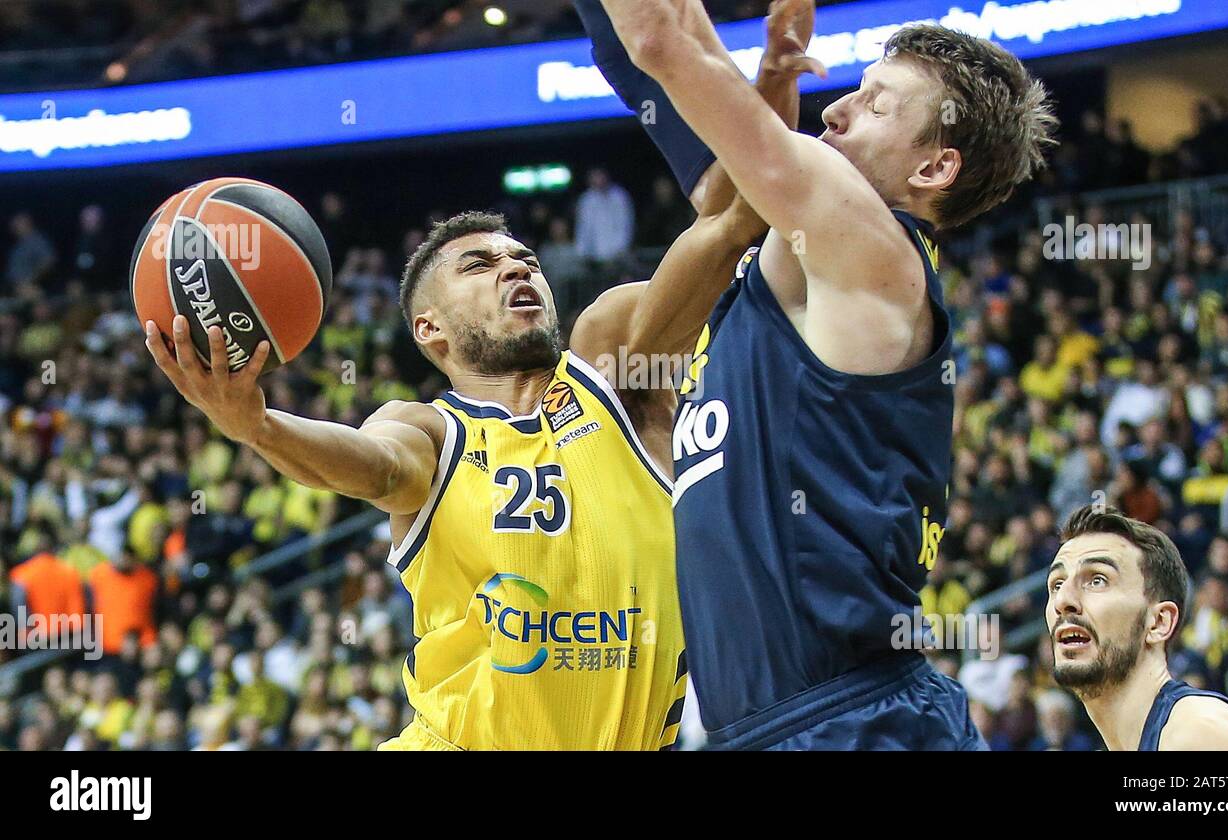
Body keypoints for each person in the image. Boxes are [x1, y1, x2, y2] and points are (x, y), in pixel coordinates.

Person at [142, 12, 811, 750]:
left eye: (522, 257)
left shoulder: (617, 366)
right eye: (480, 265)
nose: (516, 267)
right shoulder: (429, 431)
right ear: (429, 329)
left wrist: (771, 81)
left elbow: (732, 222)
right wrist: (258, 426)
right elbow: (373, 468)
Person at [592, 0, 1054, 748]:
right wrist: (773, 70)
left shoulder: (870, 246)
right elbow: (741, 185)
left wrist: (721, 66)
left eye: (876, 103)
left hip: (848, 720)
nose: (836, 109)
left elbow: (655, 40)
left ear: (933, 167)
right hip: (789, 720)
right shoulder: (812, 255)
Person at [1046, 505, 1228, 750]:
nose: (1062, 600)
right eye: (1057, 584)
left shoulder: (1198, 732)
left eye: (1097, 580)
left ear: (1159, 622)